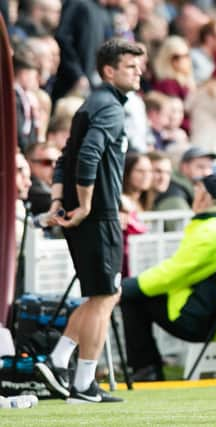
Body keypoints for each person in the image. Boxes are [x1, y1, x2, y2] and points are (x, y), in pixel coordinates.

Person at [35, 38, 144, 403]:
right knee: (105, 295)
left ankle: (61, 361)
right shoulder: (109, 107)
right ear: (109, 70)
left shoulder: (90, 104)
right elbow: (86, 158)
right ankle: (79, 381)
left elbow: (66, 157)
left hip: (88, 214)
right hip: (98, 216)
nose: (139, 71)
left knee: (101, 295)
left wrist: (56, 201)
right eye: (131, 66)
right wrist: (82, 204)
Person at [119, 173, 216, 381]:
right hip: (214, 315)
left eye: (197, 190)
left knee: (132, 298)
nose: (193, 196)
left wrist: (126, 286)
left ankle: (146, 369)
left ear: (206, 197)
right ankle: (148, 368)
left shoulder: (210, 231)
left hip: (200, 320)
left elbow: (173, 273)